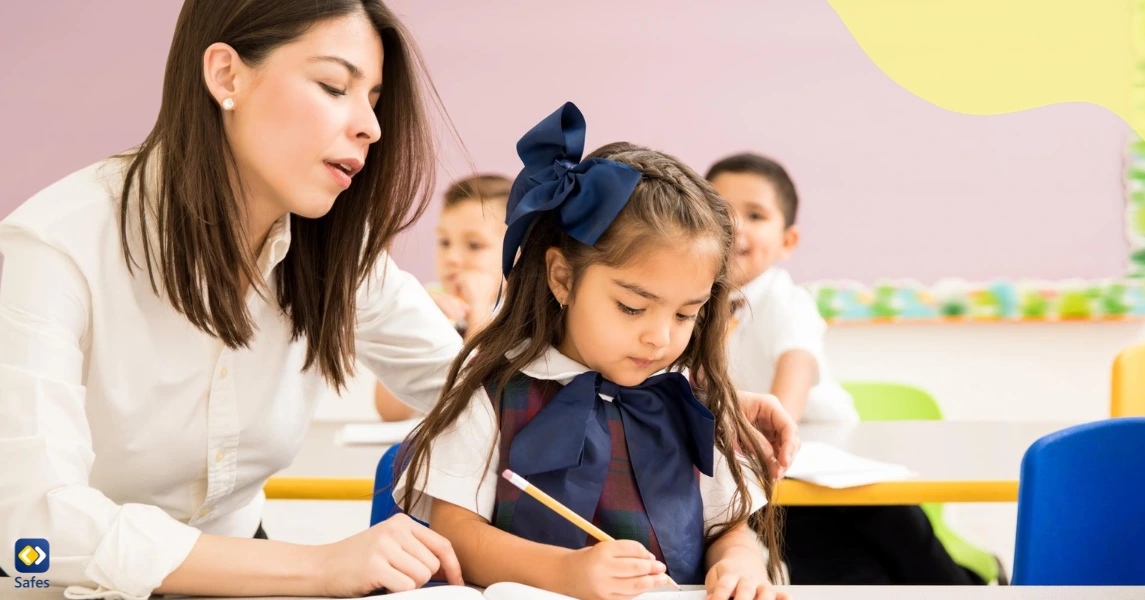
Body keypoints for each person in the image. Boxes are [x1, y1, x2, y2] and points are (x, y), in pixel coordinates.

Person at [0, 3, 796, 593]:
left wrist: (673, 399)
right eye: (335, 87)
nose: (370, 128)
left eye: (375, 99)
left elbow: (479, 385)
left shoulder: (334, 254)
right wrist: (313, 567)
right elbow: (32, 532)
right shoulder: (53, 248)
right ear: (225, 74)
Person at [395, 104, 787, 600]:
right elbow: (454, 530)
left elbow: (727, 527)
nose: (660, 338)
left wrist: (739, 562)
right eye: (631, 307)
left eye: (685, 314)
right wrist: (566, 573)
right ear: (563, 276)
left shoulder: (690, 400)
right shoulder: (493, 388)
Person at [708, 153, 986, 585]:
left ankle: (967, 587)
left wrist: (765, 434)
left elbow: (789, 392)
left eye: (756, 215)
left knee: (910, 548)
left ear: (788, 240)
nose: (737, 226)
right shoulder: (693, 307)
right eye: (721, 212)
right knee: (840, 573)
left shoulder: (787, 301)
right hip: (770, 477)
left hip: (835, 464)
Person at [375, 175, 511, 422]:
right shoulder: (430, 303)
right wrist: (412, 325)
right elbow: (389, 412)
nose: (452, 257)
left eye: (473, 245)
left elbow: (483, 398)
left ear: (517, 254)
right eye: (445, 242)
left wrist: (479, 311)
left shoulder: (518, 314)